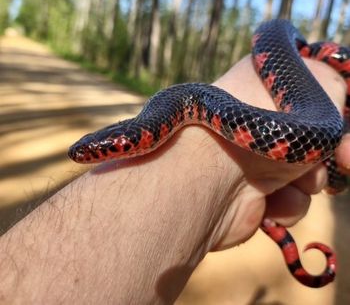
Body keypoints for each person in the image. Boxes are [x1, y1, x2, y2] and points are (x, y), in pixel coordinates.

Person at [1, 55, 349, 304]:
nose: (88, 156)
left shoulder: (179, 108)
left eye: (98, 152)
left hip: (307, 114)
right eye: (95, 152)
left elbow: (325, 127)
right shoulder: (173, 107)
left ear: (132, 141)